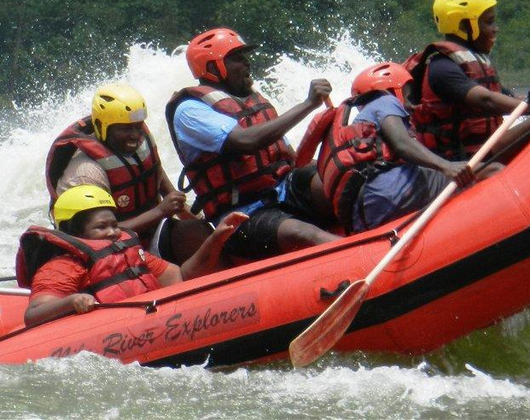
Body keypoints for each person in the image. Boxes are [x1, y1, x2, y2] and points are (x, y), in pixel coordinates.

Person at [165, 27, 341, 261]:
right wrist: (309, 103)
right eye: (237, 58)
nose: (247, 64)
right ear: (212, 68)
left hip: (282, 190)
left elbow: (289, 156)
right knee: (301, 232)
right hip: (242, 213)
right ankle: (369, 259)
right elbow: (247, 141)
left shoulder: (252, 101)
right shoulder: (189, 111)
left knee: (335, 181)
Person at [296, 62, 496, 233]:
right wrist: (445, 166)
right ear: (392, 90)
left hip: (364, 215)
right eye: (407, 96)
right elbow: (401, 144)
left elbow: (300, 162)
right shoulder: (385, 101)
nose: (410, 105)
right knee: (489, 170)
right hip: (393, 191)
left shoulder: (349, 125)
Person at [16, 185, 247, 327]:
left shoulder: (129, 251)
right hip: (108, 336)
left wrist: (217, 238)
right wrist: (71, 301)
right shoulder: (62, 265)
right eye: (102, 227)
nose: (114, 232)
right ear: (73, 232)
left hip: (153, 323)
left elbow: (182, 277)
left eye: (115, 224)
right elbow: (34, 315)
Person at [46, 83, 212, 264]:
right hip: (108, 253)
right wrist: (160, 211)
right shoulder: (85, 173)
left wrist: (194, 217)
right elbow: (95, 235)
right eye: (125, 129)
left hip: (149, 234)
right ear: (103, 127)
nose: (135, 135)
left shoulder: (136, 142)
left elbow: (154, 171)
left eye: (137, 126)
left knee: (197, 231)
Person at [407, 0, 530, 161]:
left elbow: (507, 98)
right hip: (460, 161)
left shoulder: (475, 61)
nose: (496, 28)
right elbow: (486, 99)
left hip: (486, 150)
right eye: (489, 22)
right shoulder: (442, 67)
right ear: (464, 26)